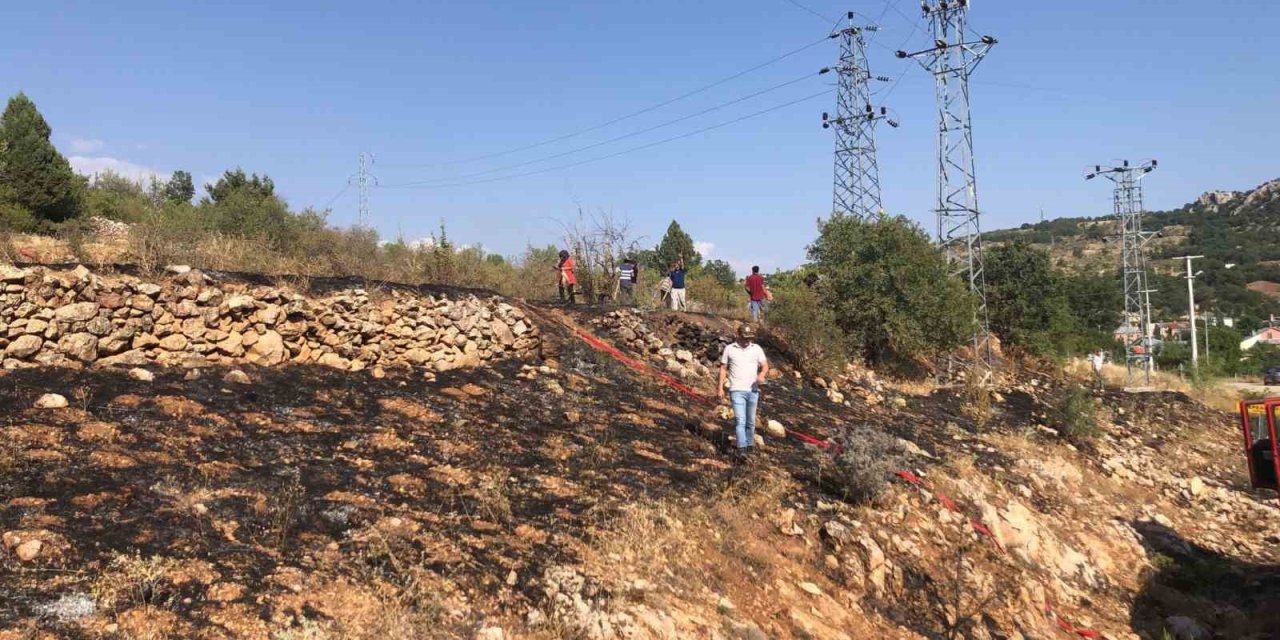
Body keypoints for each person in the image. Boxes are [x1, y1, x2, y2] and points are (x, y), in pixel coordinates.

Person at [719, 324, 769, 460]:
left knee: (751, 421)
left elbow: (765, 366)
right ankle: (741, 448)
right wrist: (720, 388)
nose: (747, 340)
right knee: (740, 420)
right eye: (745, 337)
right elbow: (723, 368)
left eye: (750, 338)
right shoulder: (729, 349)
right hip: (736, 390)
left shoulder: (756, 349)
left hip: (753, 390)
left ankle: (749, 445)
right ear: (739, 335)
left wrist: (762, 375)